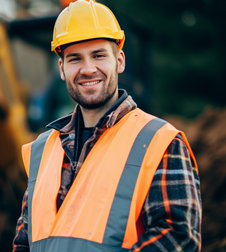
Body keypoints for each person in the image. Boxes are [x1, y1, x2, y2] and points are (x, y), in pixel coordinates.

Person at [12, 0, 202, 251]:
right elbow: (25, 243)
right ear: (62, 69)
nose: (88, 69)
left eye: (99, 55)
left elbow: (179, 238)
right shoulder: (42, 151)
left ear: (120, 61)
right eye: (75, 59)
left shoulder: (159, 142)